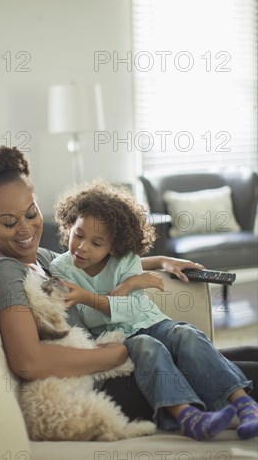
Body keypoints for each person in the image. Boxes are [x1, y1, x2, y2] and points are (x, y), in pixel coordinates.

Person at [0, 146, 258, 441]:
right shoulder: (6, 272)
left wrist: (160, 261)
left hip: (131, 359)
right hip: (112, 379)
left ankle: (238, 405)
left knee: (240, 355)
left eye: (31, 212)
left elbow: (104, 262)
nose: (25, 228)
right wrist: (115, 353)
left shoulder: (44, 259)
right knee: (247, 373)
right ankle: (205, 414)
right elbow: (27, 361)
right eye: (9, 221)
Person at [49, 180, 258, 441]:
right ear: (70, 225)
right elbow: (91, 318)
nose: (82, 246)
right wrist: (121, 289)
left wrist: (125, 285)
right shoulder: (60, 268)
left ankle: (245, 405)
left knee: (186, 334)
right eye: (78, 234)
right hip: (122, 338)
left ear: (113, 246)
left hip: (152, 321)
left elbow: (135, 307)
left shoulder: (123, 259)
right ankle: (189, 417)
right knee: (148, 346)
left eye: (96, 242)